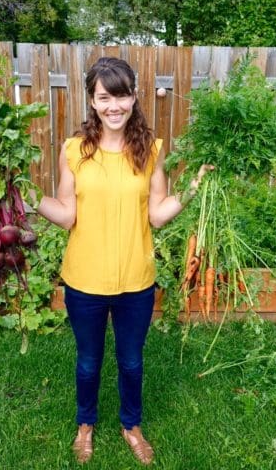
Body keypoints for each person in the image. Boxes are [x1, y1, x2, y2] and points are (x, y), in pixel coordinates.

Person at [34, 57, 213, 465]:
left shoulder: (149, 150)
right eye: (104, 97)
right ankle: (85, 425)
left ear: (134, 96)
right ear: (93, 102)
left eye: (122, 95)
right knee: (88, 361)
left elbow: (157, 212)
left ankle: (131, 425)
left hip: (136, 279)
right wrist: (27, 196)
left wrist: (194, 187)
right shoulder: (74, 151)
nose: (114, 105)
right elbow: (66, 214)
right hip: (84, 280)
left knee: (132, 361)